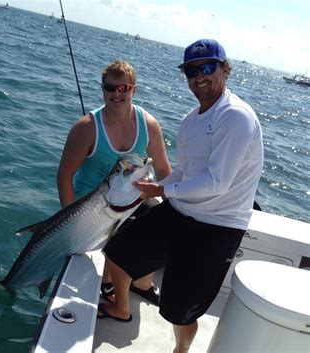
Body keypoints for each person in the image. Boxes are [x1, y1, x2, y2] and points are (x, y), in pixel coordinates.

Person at [101, 39, 264, 353]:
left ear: (225, 69)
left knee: (179, 310)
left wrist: (162, 189)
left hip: (217, 227)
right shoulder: (191, 120)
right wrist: (147, 188)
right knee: (119, 250)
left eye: (207, 68)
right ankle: (122, 308)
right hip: (179, 211)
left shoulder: (236, 117)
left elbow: (218, 183)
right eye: (191, 71)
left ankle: (181, 350)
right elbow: (185, 171)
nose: (199, 76)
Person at [57, 59, 172, 303]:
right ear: (102, 89)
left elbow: (162, 169)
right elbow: (64, 175)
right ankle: (109, 283)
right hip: (91, 202)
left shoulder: (149, 125)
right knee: (123, 233)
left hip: (131, 198)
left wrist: (174, 204)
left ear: (134, 90)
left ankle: (142, 282)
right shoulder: (86, 128)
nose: (116, 93)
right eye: (110, 88)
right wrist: (69, 221)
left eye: (124, 88)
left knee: (166, 223)